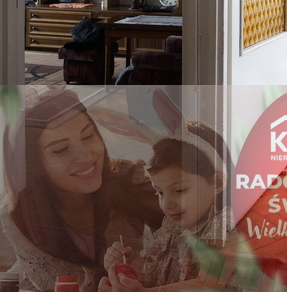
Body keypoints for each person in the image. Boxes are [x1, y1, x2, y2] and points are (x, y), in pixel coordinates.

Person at [2, 87, 164, 292]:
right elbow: (60, 285)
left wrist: (139, 269)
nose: (86, 157)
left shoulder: (128, 179)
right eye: (61, 149)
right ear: (32, 164)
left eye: (88, 136)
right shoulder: (19, 212)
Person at [99, 121, 239, 292]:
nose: (166, 204)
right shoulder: (171, 229)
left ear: (217, 183)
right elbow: (159, 281)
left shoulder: (226, 226)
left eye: (179, 190)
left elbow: (207, 284)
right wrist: (124, 274)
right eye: (159, 192)